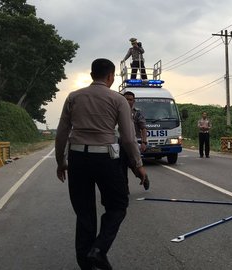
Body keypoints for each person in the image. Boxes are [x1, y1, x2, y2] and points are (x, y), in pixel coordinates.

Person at [55, 58, 146, 270]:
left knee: (84, 213)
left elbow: (61, 134)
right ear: (111, 76)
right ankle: (98, 249)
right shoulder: (118, 99)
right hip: (106, 159)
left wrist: (61, 161)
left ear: (91, 74)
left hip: (78, 159)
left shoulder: (73, 97)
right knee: (118, 206)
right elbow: (128, 138)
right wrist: (138, 164)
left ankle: (86, 264)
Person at [122, 91, 150, 190]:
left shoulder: (137, 113)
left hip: (133, 144)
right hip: (119, 144)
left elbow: (143, 128)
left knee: (135, 167)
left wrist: (144, 142)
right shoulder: (117, 111)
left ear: (134, 101)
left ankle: (143, 177)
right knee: (120, 169)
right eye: (125, 99)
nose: (128, 101)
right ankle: (124, 189)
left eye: (130, 99)